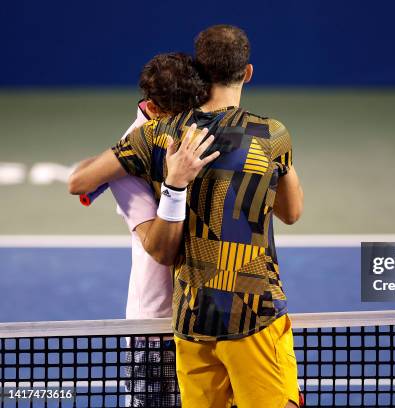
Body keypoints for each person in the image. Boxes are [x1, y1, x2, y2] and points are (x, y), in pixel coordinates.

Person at [68, 25, 304, 408]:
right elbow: (292, 213)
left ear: (201, 71)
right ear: (247, 73)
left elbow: (80, 180)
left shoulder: (156, 136)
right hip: (251, 316)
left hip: (191, 319)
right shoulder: (271, 134)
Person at [71, 52, 209, 407]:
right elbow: (158, 248)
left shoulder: (206, 129)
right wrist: (174, 186)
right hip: (157, 326)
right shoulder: (131, 155)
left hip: (208, 315)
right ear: (156, 109)